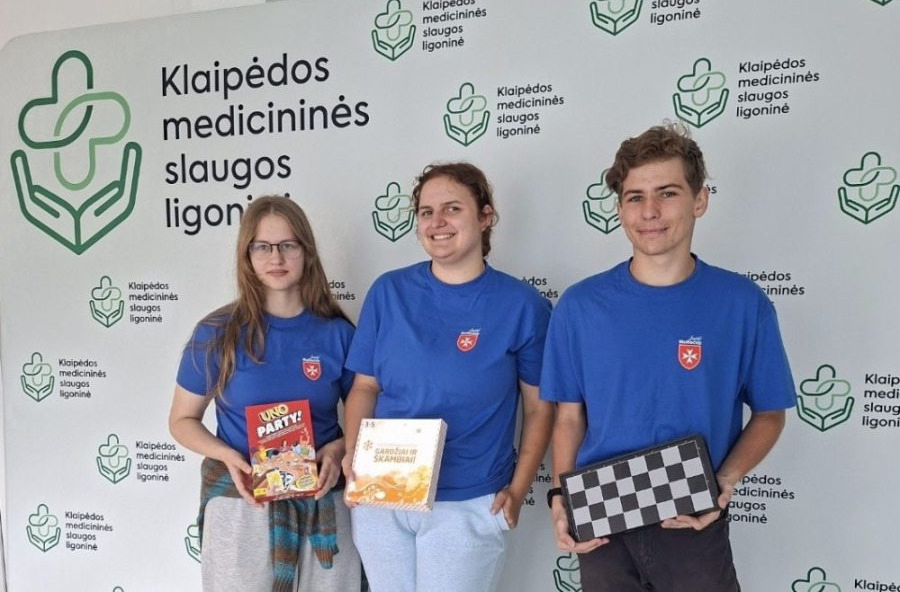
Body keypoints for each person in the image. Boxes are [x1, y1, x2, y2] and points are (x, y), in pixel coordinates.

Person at [541, 123, 795, 591]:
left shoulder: (742, 304)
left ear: (700, 200)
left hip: (692, 517)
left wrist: (724, 481)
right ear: (620, 209)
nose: (650, 211)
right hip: (602, 521)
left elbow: (770, 413)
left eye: (667, 193)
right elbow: (569, 418)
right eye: (635, 197)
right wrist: (560, 496)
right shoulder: (579, 306)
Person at [341, 162, 554, 592]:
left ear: (485, 216)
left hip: (468, 499)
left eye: (452, 208)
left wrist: (517, 489)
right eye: (426, 212)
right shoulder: (388, 292)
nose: (437, 222)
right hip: (383, 489)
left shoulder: (522, 305)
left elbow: (539, 408)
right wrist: (352, 453)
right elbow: (364, 387)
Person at [168, 195, 362, 592]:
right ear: (247, 255)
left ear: (307, 252)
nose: (276, 257)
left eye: (289, 245)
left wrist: (338, 449)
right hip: (242, 504)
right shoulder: (217, 332)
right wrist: (227, 456)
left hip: (323, 504)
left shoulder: (338, 334)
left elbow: (369, 418)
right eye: (263, 247)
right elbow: (181, 420)